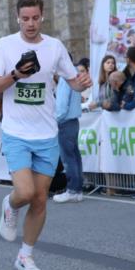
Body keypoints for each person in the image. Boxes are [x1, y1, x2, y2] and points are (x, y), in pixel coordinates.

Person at [0, 0, 91, 270]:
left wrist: (83, 84)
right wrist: (16, 74)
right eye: (25, 19)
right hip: (16, 132)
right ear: (17, 18)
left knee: (41, 199)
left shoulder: (54, 47)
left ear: (42, 16)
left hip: (46, 133)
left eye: (35, 18)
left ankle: (25, 256)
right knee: (25, 192)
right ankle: (9, 204)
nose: (30, 24)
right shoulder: (5, 45)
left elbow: (74, 83)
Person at [53, 63, 84, 204]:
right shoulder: (73, 76)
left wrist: (56, 120)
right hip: (73, 120)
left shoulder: (65, 79)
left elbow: (61, 104)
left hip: (65, 121)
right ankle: (77, 190)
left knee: (68, 157)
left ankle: (72, 190)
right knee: (74, 156)